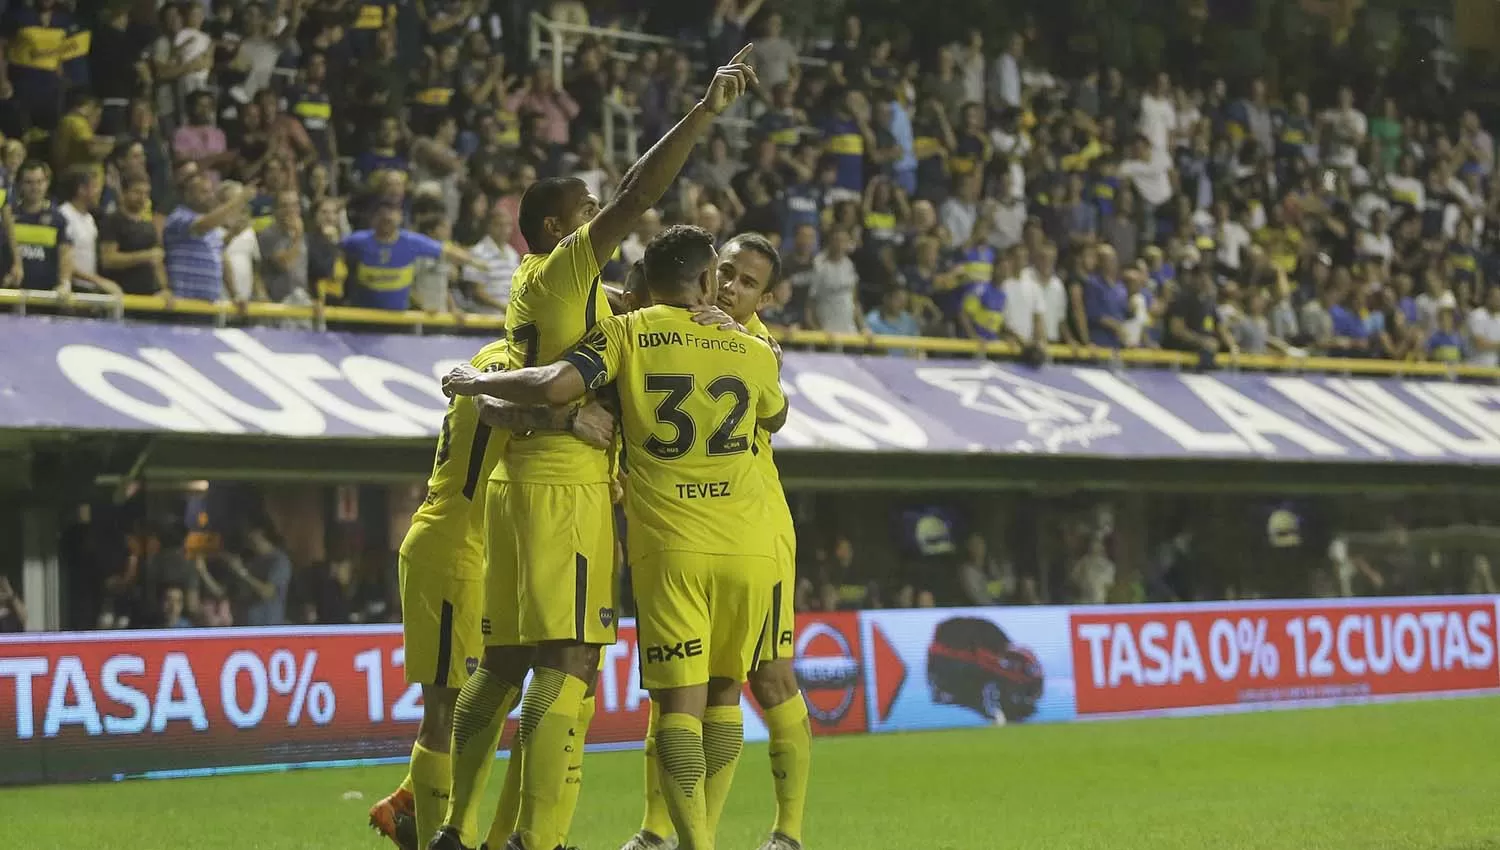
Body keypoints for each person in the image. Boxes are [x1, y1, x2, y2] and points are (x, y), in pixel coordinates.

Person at [430, 45, 758, 850]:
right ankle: (535, 842)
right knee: (570, 663)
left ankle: (452, 831)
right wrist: (703, 113)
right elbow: (640, 191)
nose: (600, 221)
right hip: (564, 492)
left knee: (502, 664)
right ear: (556, 229)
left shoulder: (553, 290)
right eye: (584, 213)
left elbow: (620, 304)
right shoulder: (563, 266)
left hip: (519, 489)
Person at [443, 224, 788, 850]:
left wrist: (476, 384)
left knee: (674, 705)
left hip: (671, 544)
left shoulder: (626, 332)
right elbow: (776, 413)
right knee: (727, 693)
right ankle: (769, 831)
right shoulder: (755, 351)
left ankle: (672, 842)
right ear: (709, 281)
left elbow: (554, 385)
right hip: (749, 542)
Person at [366, 335, 615, 849]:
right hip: (453, 546)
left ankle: (455, 819)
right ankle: (436, 823)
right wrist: (572, 421)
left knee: (520, 690)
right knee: (447, 711)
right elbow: (494, 408)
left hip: (487, 548)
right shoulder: (509, 369)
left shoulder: (506, 360)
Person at [624, 233, 811, 850]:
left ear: (767, 297)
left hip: (756, 527)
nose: (732, 287)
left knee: (767, 677)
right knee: (680, 684)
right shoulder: (681, 325)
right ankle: (661, 830)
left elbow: (774, 407)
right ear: (707, 273)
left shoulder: (757, 344)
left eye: (748, 282)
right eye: (725, 272)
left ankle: (787, 831)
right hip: (693, 530)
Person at [341, 202, 477, 311]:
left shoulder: (411, 242)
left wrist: (472, 260)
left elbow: (445, 250)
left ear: (400, 218)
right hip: (364, 316)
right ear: (374, 219)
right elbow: (337, 247)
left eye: (391, 220)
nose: (387, 223)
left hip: (399, 319)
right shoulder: (358, 241)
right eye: (383, 219)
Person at [164, 173, 249, 302]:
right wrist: (237, 201)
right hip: (182, 303)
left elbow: (220, 257)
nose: (210, 197)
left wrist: (235, 295)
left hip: (210, 305)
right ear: (188, 194)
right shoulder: (179, 216)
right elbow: (200, 227)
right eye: (203, 192)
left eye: (210, 192)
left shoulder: (213, 229)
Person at [99, 174, 168, 297]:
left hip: (148, 298)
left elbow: (157, 261)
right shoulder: (112, 221)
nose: (142, 198)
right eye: (137, 192)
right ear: (124, 192)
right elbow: (108, 259)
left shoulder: (148, 226)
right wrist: (145, 256)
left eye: (146, 194)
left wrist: (164, 288)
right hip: (120, 296)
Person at [57, 166, 122, 296]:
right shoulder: (64, 215)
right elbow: (63, 259)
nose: (100, 192)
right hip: (71, 288)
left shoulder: (89, 219)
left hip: (88, 289)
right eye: (96, 186)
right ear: (82, 189)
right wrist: (100, 281)